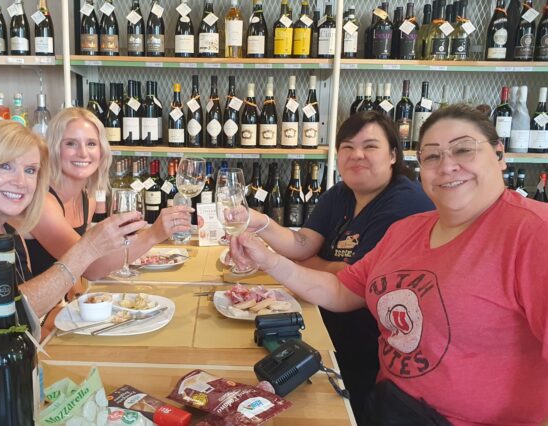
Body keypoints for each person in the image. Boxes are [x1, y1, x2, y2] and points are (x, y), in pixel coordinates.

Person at [231, 104, 548, 425]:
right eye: (432, 156)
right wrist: (268, 259)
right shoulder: (407, 230)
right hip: (387, 405)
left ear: (499, 154)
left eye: (464, 150)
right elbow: (341, 289)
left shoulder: (534, 233)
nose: (447, 166)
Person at [0, 121, 146, 425]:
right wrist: (87, 249)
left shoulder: (8, 232)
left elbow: (28, 319)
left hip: (11, 396)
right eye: (5, 166)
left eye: (31, 170)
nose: (21, 181)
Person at [245, 111, 434, 419]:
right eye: (347, 146)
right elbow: (302, 244)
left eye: (370, 146)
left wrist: (305, 260)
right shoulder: (342, 193)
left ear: (393, 155)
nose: (356, 154)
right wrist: (260, 222)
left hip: (364, 349)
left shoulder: (404, 203)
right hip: (320, 318)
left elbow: (350, 278)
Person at [24, 107, 192, 282]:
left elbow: (83, 264)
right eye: (71, 143)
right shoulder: (43, 204)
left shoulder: (87, 197)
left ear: (101, 150)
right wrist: (154, 234)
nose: (83, 153)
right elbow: (90, 268)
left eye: (91, 144)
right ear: (54, 148)